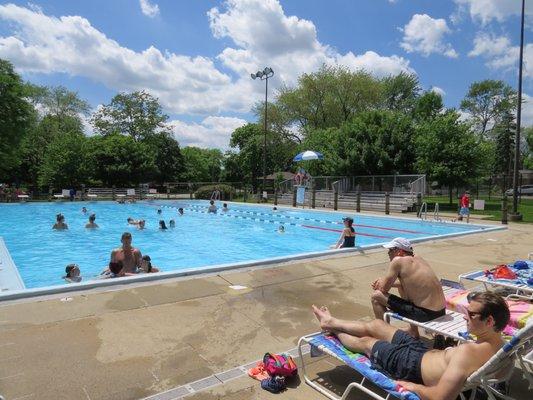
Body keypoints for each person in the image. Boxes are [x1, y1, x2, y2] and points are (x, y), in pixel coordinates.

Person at [312, 291, 510, 399]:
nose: (465, 316)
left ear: (490, 321)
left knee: (368, 342)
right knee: (377, 324)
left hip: (409, 365)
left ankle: (335, 331)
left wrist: (413, 387)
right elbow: (500, 374)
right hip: (422, 352)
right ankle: (330, 322)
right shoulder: (502, 347)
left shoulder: (468, 352)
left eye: (471, 314)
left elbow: (441, 397)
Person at [370, 237, 446, 336]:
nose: (388, 253)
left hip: (425, 315)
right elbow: (411, 283)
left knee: (376, 296)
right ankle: (413, 331)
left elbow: (383, 289)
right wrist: (387, 282)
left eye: (391, 250)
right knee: (402, 287)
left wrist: (381, 282)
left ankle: (384, 334)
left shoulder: (398, 261)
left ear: (400, 251)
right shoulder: (418, 258)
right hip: (440, 312)